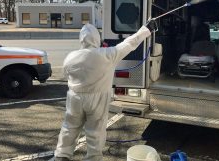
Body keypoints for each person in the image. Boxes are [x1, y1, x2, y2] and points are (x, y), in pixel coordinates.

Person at [54, 20, 157, 161]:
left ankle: (62, 156)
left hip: (75, 97)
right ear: (97, 38)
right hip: (98, 98)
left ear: (81, 39)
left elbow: (65, 75)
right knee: (95, 131)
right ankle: (93, 158)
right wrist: (146, 29)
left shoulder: (71, 57)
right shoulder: (108, 54)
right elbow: (129, 43)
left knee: (69, 127)